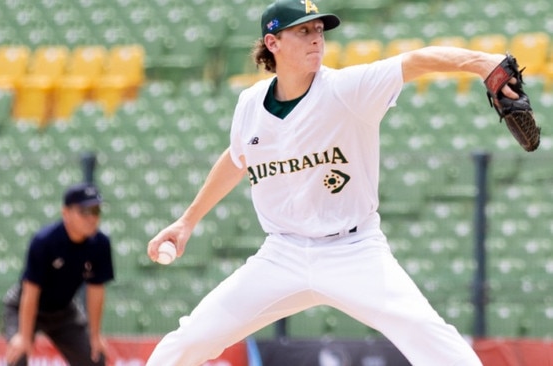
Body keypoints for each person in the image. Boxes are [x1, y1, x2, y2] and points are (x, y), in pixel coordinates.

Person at [145, 0, 519, 365]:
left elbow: (415, 60)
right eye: (303, 31)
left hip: (354, 249)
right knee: (191, 339)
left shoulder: (347, 89)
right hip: (282, 254)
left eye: (319, 30)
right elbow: (237, 157)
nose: (316, 39)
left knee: (426, 332)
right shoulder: (250, 103)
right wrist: (187, 221)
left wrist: (483, 63)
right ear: (272, 43)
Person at [3, 182, 114, 366]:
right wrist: (24, 336)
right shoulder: (44, 241)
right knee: (18, 357)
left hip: (64, 311)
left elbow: (96, 290)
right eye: (84, 211)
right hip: (24, 305)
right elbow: (31, 291)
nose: (91, 217)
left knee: (94, 358)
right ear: (66, 213)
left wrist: (95, 336)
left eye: (96, 211)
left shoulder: (100, 244)